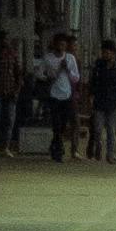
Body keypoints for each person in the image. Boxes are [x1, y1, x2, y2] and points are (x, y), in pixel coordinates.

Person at [43, 32, 81, 162]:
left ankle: (55, 145)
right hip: (54, 95)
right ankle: (58, 152)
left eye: (64, 44)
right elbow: (40, 73)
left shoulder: (70, 58)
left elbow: (76, 77)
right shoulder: (48, 58)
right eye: (59, 44)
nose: (61, 46)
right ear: (55, 45)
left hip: (67, 95)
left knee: (63, 124)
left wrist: (68, 69)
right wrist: (49, 75)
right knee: (56, 124)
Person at [88, 38, 116, 161]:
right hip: (99, 102)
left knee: (111, 130)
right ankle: (98, 144)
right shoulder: (98, 67)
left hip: (113, 103)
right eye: (104, 52)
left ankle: (110, 154)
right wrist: (91, 96)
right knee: (98, 129)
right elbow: (93, 82)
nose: (106, 55)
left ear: (113, 53)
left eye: (108, 52)